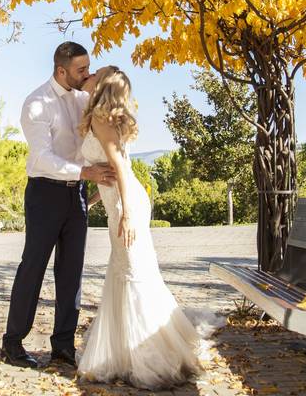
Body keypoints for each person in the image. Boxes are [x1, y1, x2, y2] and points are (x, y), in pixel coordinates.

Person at [76, 66, 211, 389]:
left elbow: (120, 168)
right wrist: (93, 201)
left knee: (133, 275)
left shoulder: (100, 119)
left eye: (98, 72)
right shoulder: (104, 117)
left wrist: (126, 215)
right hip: (124, 199)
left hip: (127, 205)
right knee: (128, 273)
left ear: (102, 84)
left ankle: (149, 357)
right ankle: (129, 353)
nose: (90, 73)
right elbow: (111, 173)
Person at [1, 42, 116, 369]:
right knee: (32, 267)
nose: (87, 74)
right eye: (81, 70)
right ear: (61, 70)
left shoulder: (83, 99)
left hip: (76, 194)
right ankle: (12, 343)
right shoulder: (37, 103)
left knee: (71, 272)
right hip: (45, 194)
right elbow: (42, 157)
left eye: (88, 67)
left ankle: (63, 346)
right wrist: (86, 171)